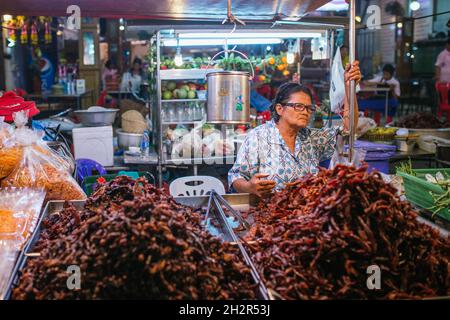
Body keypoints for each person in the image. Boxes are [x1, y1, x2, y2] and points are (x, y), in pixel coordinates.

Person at [228, 61, 361, 197]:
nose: (305, 112)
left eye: (309, 108)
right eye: (298, 106)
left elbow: (348, 129)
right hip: (269, 211)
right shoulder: (258, 137)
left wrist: (349, 88)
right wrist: (249, 186)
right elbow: (236, 176)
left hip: (305, 214)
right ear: (280, 109)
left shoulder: (312, 138)